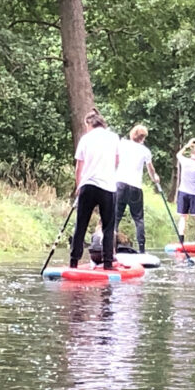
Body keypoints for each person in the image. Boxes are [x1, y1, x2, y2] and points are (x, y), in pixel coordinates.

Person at [70, 108, 120, 269]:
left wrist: (79, 186)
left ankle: (74, 261)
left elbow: (79, 166)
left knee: (81, 225)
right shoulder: (113, 138)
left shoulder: (86, 139)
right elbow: (117, 161)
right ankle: (107, 263)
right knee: (108, 226)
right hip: (107, 187)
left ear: (89, 123)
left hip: (88, 186)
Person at [114, 124, 160, 253]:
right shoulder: (145, 150)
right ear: (142, 137)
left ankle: (111, 249)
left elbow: (115, 161)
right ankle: (142, 250)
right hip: (135, 188)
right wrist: (154, 178)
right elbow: (151, 170)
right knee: (138, 219)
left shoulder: (122, 144)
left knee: (116, 217)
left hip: (120, 185)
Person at [176, 138, 195, 243]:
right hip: (194, 194)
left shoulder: (184, 161)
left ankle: (181, 240)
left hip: (182, 193)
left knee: (183, 217)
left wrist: (187, 145)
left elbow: (178, 155)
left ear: (191, 154)